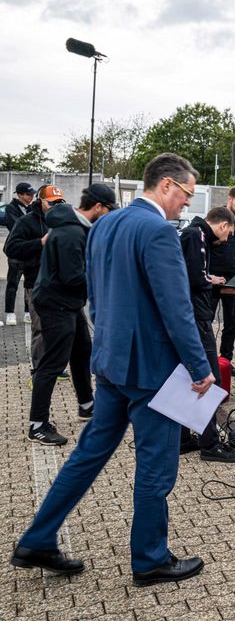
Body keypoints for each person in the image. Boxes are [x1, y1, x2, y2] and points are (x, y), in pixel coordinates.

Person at [10, 153, 213, 586]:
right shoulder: (158, 231)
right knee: (155, 467)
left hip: (112, 363)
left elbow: (96, 292)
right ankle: (150, 559)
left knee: (87, 455)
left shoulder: (105, 224)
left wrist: (106, 340)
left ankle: (39, 537)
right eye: (187, 195)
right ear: (166, 186)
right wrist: (199, 367)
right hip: (151, 372)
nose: (187, 205)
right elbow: (176, 309)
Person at [26, 184, 116, 446]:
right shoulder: (70, 233)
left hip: (69, 303)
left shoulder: (77, 229)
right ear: (98, 207)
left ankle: (87, 405)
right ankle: (37, 424)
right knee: (52, 363)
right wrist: (104, 278)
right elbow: (72, 277)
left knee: (81, 352)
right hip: (56, 304)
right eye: (108, 211)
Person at [179, 206, 235, 463]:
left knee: (188, 379)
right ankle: (210, 444)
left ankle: (183, 438)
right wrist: (213, 281)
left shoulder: (193, 234)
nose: (226, 241)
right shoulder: (198, 236)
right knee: (209, 378)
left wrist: (208, 279)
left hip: (191, 316)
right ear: (224, 225)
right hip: (197, 318)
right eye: (229, 235)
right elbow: (194, 277)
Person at [5, 185, 65, 369]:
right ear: (41, 201)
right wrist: (39, 243)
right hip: (36, 283)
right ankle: (38, 371)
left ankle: (58, 366)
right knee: (40, 329)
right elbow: (10, 248)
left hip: (60, 283)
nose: (56, 206)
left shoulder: (64, 220)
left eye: (59, 202)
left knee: (61, 328)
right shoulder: (26, 221)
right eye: (52, 203)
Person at [209, 186, 235, 377]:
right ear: (230, 199)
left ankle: (226, 361)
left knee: (231, 324)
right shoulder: (217, 219)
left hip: (234, 281)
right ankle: (207, 362)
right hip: (213, 280)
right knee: (206, 322)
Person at [3, 182, 35, 326]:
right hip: (16, 251)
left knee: (30, 283)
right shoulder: (11, 208)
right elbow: (14, 226)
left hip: (30, 250)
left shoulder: (33, 209)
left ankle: (28, 312)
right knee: (12, 283)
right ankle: (10, 313)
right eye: (28, 194)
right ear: (20, 194)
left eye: (32, 194)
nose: (31, 197)